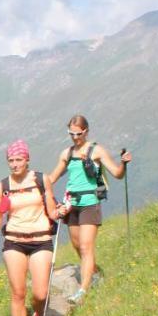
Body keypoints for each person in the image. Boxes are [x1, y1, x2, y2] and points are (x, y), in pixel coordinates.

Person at [45, 115, 132, 305]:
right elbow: (52, 178)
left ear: (86, 131)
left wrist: (123, 163)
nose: (75, 137)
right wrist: (34, 184)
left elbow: (117, 174)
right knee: (77, 246)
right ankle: (96, 272)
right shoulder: (67, 154)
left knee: (86, 246)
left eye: (78, 133)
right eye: (71, 133)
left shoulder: (96, 150)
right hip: (72, 204)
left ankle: (83, 290)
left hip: (90, 202)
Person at [0, 139, 60, 316]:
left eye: (19, 159)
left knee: (40, 292)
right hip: (14, 241)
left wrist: (62, 211)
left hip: (41, 239)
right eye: (11, 160)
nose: (14, 164)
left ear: (27, 160)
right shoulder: (3, 187)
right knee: (18, 292)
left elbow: (52, 211)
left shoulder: (40, 180)